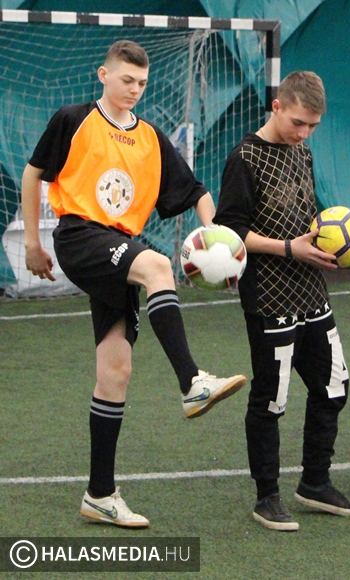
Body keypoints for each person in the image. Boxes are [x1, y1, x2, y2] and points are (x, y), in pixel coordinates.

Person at [21, 40, 246, 528]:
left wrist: (217, 238)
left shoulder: (151, 139)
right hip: (80, 235)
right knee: (158, 267)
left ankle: (100, 495)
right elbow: (34, 173)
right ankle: (192, 382)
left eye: (142, 83)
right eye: (126, 80)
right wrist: (33, 243)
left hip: (118, 245)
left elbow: (196, 191)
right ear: (103, 75)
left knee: (115, 372)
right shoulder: (73, 119)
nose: (135, 90)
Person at [216, 71, 350, 531]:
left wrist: (326, 242)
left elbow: (304, 213)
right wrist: (288, 248)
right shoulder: (245, 157)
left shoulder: (302, 151)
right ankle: (267, 497)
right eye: (298, 122)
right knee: (271, 401)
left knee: (335, 388)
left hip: (312, 294)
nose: (304, 133)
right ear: (277, 106)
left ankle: (315, 482)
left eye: (313, 126)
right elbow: (229, 232)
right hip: (269, 298)